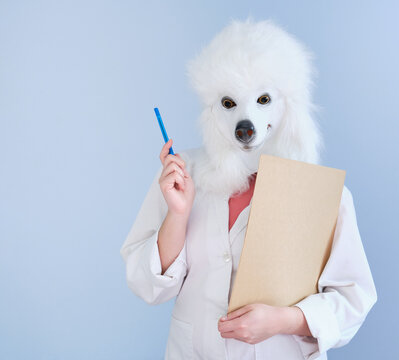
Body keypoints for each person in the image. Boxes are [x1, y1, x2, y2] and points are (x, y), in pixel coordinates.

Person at [120, 18, 377, 360]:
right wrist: (178, 215)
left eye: (264, 99)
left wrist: (286, 319)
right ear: (212, 107)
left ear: (289, 103)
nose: (246, 121)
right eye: (230, 103)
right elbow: (148, 287)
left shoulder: (322, 195)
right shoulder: (181, 176)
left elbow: (353, 298)